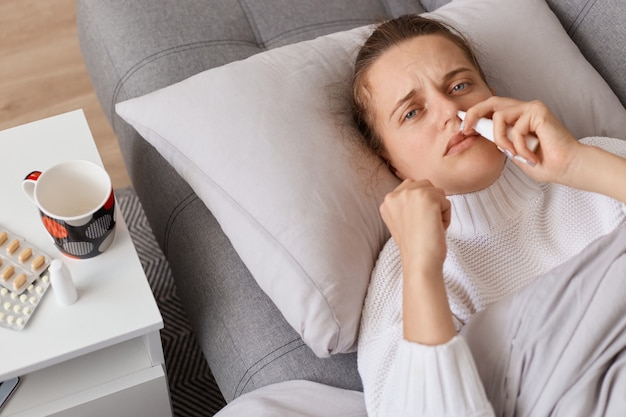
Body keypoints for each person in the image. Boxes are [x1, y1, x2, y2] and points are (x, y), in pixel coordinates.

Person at [351, 14, 626, 416]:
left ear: (491, 95)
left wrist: (577, 166)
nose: (449, 109)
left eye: (460, 86)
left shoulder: (593, 161)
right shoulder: (404, 272)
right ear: (392, 163)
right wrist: (423, 267)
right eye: (412, 112)